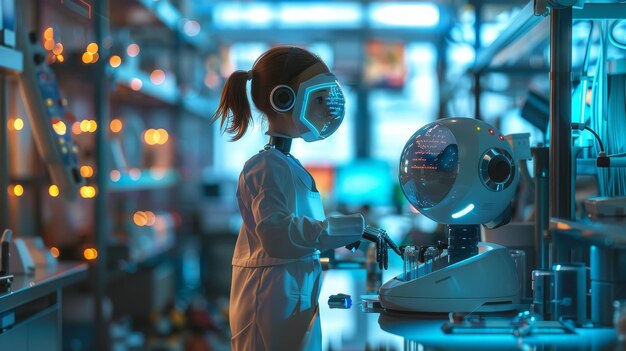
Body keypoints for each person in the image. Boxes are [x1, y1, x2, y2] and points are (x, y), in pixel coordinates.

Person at [212, 46, 366, 350]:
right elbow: (277, 235)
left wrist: (344, 236)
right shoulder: (266, 166)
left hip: (289, 297)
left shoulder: (284, 164)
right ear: (283, 98)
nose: (329, 109)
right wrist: (345, 228)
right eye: (319, 99)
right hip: (271, 301)